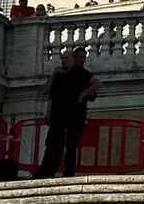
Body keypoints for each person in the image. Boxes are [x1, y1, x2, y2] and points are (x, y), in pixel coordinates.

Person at [35, 46, 99, 178]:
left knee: (70, 146)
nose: (63, 61)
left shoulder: (80, 73)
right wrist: (47, 113)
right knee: (53, 144)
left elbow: (96, 85)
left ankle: (68, 173)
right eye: (62, 59)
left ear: (72, 60)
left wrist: (82, 95)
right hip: (57, 116)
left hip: (75, 117)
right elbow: (48, 94)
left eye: (66, 59)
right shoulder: (58, 74)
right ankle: (46, 171)